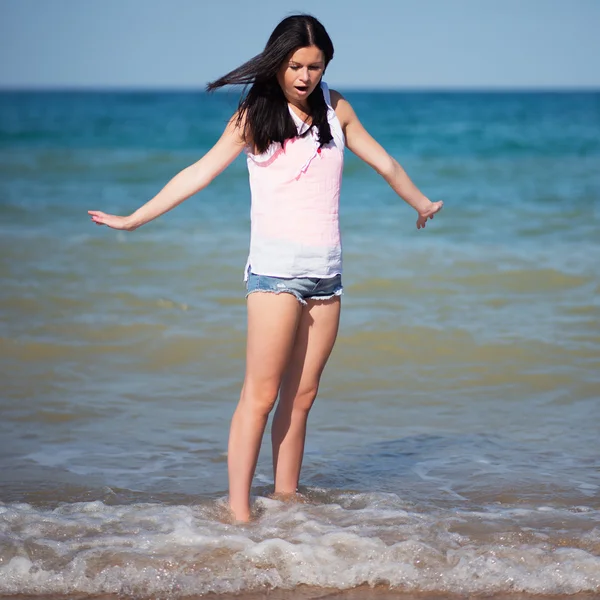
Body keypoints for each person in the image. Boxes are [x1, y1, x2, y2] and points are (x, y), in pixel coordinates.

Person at [88, 14, 443, 522]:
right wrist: (135, 219)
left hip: (327, 276)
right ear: (278, 63)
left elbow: (384, 162)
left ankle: (286, 502)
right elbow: (200, 172)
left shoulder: (336, 109)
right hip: (274, 276)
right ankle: (239, 515)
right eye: (295, 65)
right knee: (260, 395)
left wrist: (421, 202)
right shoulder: (254, 115)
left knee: (302, 397)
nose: (304, 76)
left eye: (314, 67)